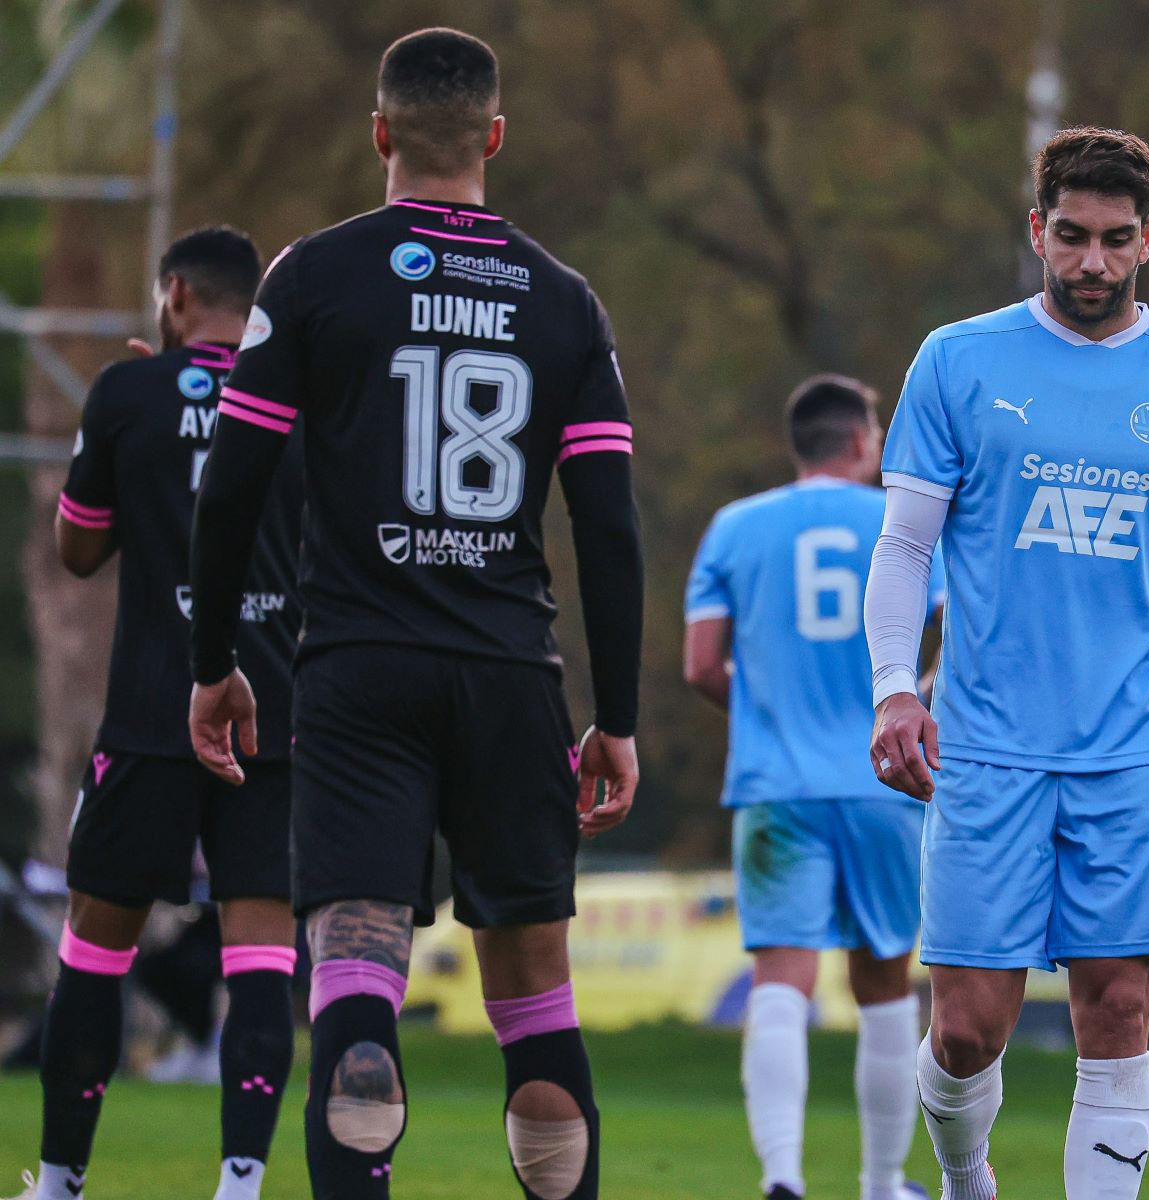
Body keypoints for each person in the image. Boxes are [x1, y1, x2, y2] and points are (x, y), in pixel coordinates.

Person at [184, 28, 643, 1200]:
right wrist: (618, 718)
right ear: (495, 138)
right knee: (536, 1007)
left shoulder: (314, 277)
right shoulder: (564, 300)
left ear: (381, 132)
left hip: (360, 671)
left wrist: (213, 662)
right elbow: (608, 526)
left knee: (355, 982)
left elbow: (230, 488)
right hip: (510, 676)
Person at [864, 127, 1149, 1200]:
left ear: (1148, 239)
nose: (1091, 262)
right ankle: (966, 1178)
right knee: (967, 1031)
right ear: (1036, 231)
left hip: (1138, 744)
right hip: (987, 743)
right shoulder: (956, 360)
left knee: (1119, 1009)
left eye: (1113, 239)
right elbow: (904, 547)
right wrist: (895, 690)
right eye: (1070, 236)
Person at [14, 227, 302, 1200]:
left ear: (175, 296)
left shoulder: (128, 393)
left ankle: (60, 1183)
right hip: (270, 715)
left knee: (95, 953)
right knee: (260, 962)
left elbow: (78, 551)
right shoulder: (300, 395)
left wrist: (134, 416)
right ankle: (241, 1186)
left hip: (151, 711)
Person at [684, 375, 944, 1200]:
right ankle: (881, 1183)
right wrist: (919, 699)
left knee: (780, 980)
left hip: (777, 786)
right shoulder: (902, 524)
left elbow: (700, 663)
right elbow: (956, 631)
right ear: (862, 440)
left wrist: (768, 708)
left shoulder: (735, 526)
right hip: (886, 783)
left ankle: (782, 1177)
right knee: (886, 985)